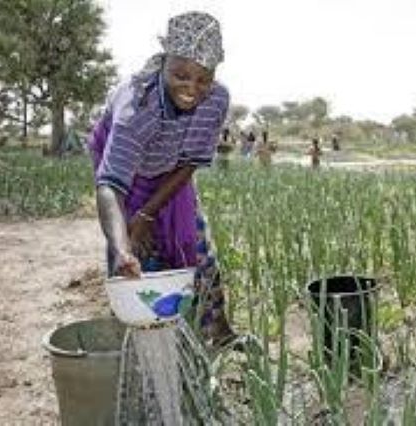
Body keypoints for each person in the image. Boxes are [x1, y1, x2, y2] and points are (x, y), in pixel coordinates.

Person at [87, 11, 236, 347]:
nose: (192, 89)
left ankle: (218, 331)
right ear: (164, 62)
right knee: (132, 259)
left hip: (171, 171)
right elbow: (110, 184)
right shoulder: (136, 107)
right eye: (181, 75)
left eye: (203, 79)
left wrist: (149, 212)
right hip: (127, 173)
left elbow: (190, 162)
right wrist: (123, 244)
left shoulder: (215, 100)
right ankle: (130, 346)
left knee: (198, 248)